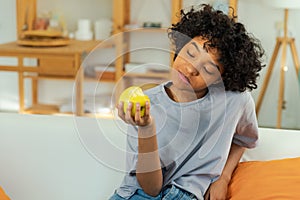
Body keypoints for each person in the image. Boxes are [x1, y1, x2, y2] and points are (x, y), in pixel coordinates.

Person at [110, 4, 265, 200]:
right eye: (190, 53)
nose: (191, 69)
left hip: (187, 195)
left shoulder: (235, 101)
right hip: (136, 195)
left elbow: (243, 140)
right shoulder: (146, 105)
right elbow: (151, 189)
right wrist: (147, 128)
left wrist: (223, 178)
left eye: (209, 69)